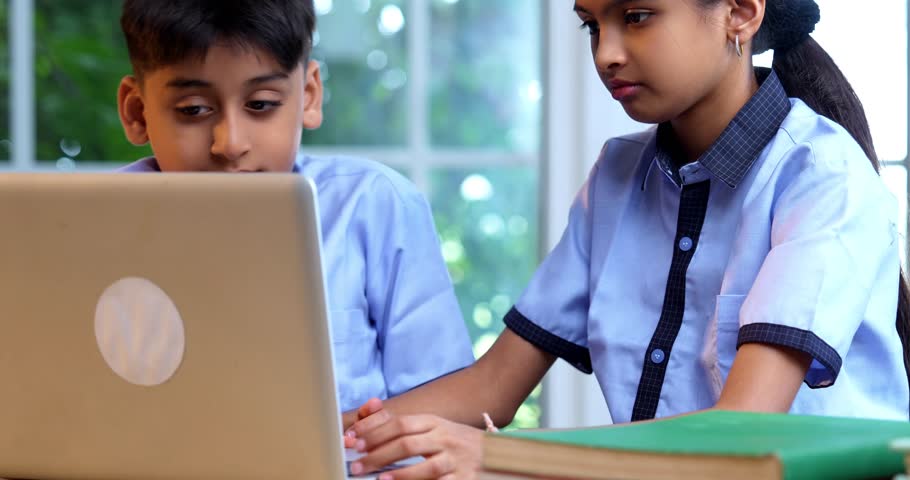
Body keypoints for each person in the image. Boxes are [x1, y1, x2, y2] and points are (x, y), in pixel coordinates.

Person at [346, 1, 910, 478]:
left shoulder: (822, 176)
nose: (605, 54)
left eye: (636, 16)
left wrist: (498, 456)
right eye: (592, 24)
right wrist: (336, 436)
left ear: (740, 11)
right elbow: (491, 386)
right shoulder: (618, 175)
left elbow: (744, 428)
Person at [115, 0, 475, 414]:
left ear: (308, 96)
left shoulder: (371, 207)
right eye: (193, 110)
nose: (230, 143)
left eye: (261, 104)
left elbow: (449, 411)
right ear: (137, 111)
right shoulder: (93, 229)